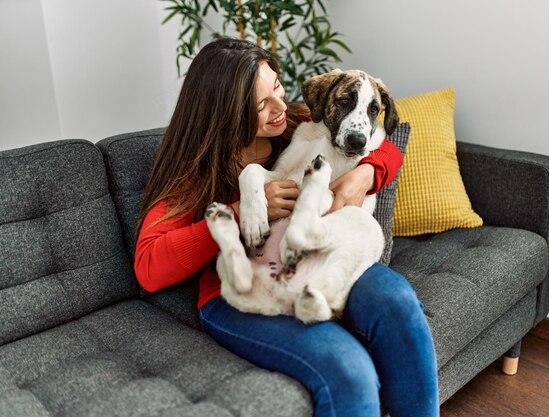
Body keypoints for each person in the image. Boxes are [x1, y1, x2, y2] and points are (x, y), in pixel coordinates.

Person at [134, 38, 439, 417]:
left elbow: (386, 146)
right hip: (242, 290)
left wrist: (364, 174)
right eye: (261, 104)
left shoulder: (298, 121)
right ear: (223, 110)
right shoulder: (196, 170)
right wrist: (238, 208)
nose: (280, 107)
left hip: (320, 261)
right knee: (350, 370)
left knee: (398, 303)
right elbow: (149, 267)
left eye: (277, 86)